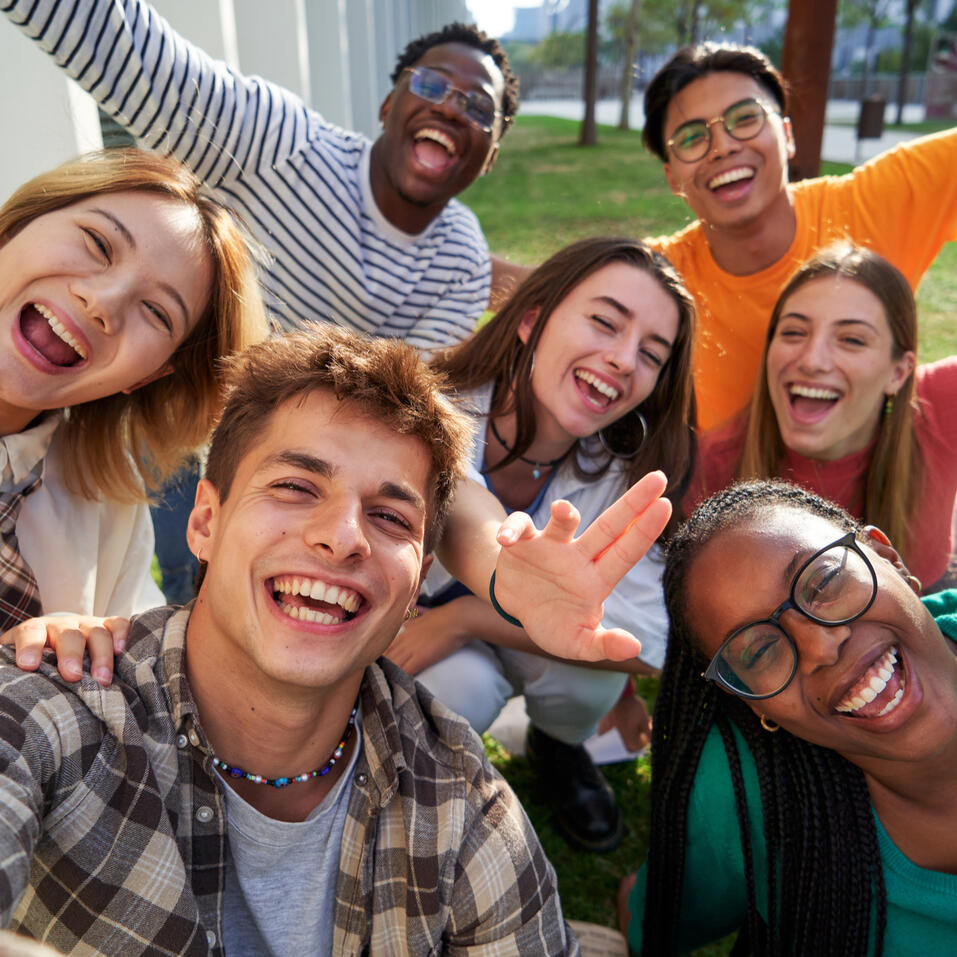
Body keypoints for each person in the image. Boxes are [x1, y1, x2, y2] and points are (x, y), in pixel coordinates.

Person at [0, 324, 674, 954]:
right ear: (204, 520)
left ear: (418, 583)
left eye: (388, 515)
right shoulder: (51, 712)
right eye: (295, 486)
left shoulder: (462, 801)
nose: (343, 536)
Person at [387, 236, 696, 853]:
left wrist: (468, 618)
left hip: (504, 635)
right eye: (605, 322)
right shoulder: (426, 404)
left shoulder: (629, 471)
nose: (622, 359)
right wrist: (491, 596)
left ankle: (559, 746)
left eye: (651, 354)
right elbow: (463, 508)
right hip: (406, 637)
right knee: (456, 692)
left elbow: (651, 640)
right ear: (531, 319)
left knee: (591, 682)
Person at [4, 0, 519, 348]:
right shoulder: (281, 141)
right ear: (388, 105)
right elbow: (128, 49)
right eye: (431, 84)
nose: (451, 109)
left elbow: (406, 398)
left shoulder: (461, 260)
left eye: (477, 108)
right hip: (176, 411)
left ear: (491, 156)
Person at [621, 479, 957, 955]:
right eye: (759, 652)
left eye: (823, 583)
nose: (821, 646)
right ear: (755, 704)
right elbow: (654, 920)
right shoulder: (743, 796)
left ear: (889, 559)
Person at [0, 148, 265, 644]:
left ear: (146, 377)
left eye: (158, 313)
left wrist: (85, 669)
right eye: (98, 243)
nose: (103, 302)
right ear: (19, 225)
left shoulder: (106, 502)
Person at [639, 42, 957, 429]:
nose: (722, 147)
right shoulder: (657, 283)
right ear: (672, 177)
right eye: (691, 138)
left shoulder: (874, 203)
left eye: (745, 118)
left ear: (787, 135)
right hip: (734, 488)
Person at [691, 244, 957, 591]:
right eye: (794, 332)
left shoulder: (938, 404)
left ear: (898, 372)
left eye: (851, 340)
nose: (812, 360)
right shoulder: (709, 471)